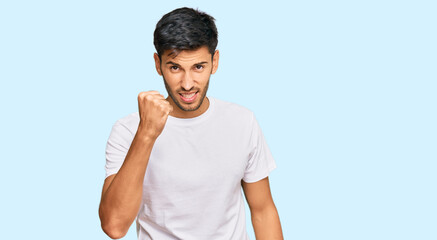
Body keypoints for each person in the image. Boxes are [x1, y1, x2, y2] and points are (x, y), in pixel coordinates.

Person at [98, 7, 283, 240]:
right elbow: (114, 226)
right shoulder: (127, 130)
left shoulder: (242, 121)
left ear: (214, 62)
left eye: (198, 67)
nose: (187, 84)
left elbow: (263, 211)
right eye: (175, 67)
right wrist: (146, 133)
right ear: (158, 64)